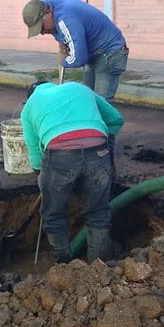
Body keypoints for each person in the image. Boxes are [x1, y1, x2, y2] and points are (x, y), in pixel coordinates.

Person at [21, 81, 124, 263]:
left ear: (30, 95)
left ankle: (66, 266)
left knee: (53, 214)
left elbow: (35, 155)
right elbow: (116, 119)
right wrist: (99, 142)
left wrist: (45, 179)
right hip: (98, 151)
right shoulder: (79, 88)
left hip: (59, 155)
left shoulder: (30, 105)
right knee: (98, 212)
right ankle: (98, 267)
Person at [21, 0, 129, 103]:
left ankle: (104, 121)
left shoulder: (66, 19)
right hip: (95, 53)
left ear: (48, 12)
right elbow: (62, 35)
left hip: (110, 52)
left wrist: (64, 60)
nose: (43, 32)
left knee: (101, 104)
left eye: (42, 27)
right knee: (87, 98)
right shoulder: (45, 6)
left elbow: (79, 58)